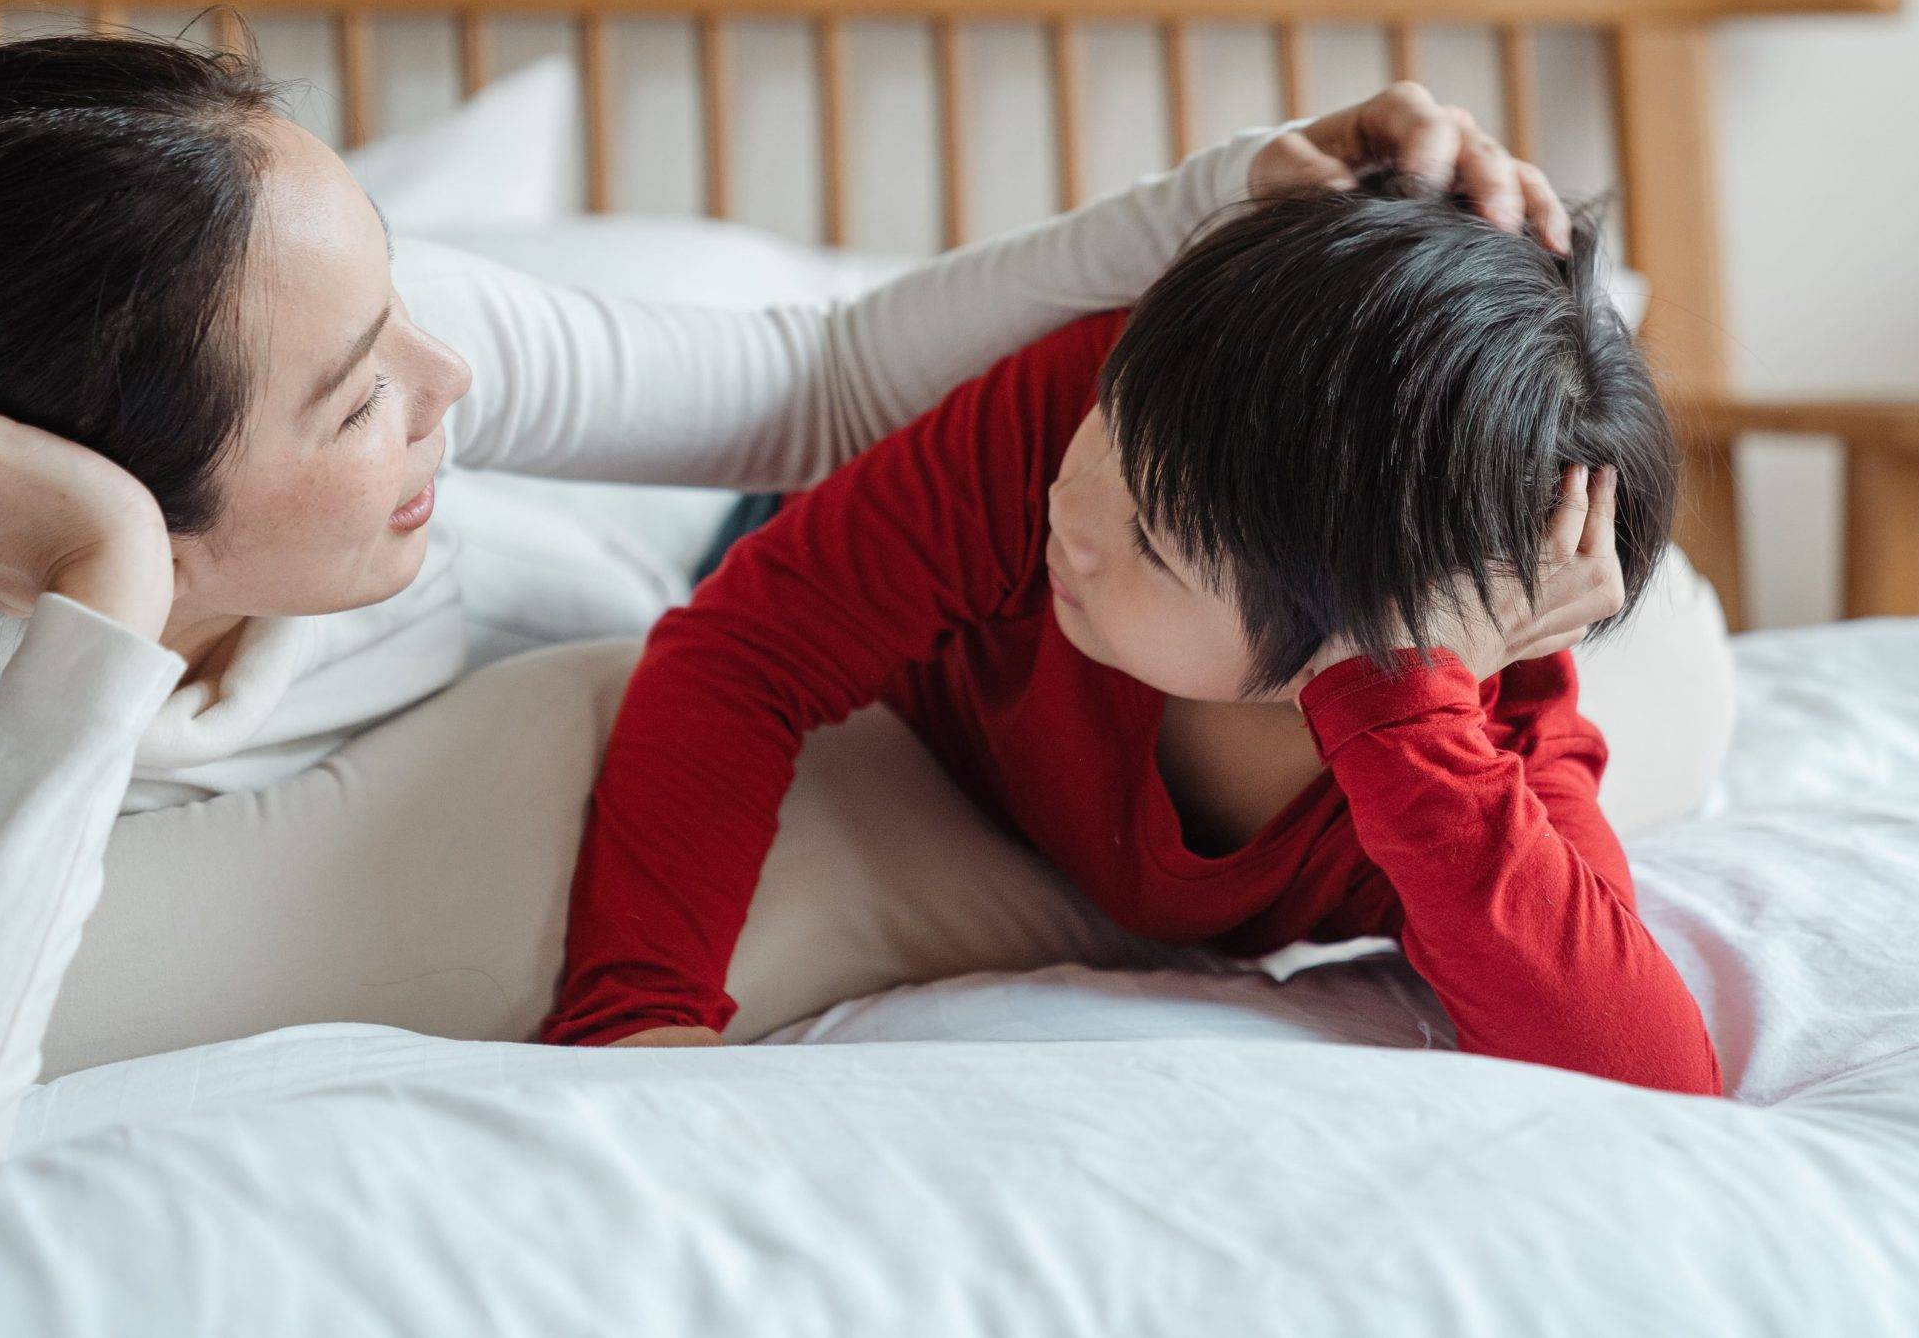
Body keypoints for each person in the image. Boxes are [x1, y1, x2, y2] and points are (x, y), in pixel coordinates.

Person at [0, 34, 1567, 1200]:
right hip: (707, 641)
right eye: (357, 389)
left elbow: (823, 383)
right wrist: (103, 612)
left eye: (403, 295)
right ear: (127, 494)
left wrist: (1230, 205)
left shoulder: (378, 351)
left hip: (766, 572)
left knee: (1537, 626)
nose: (452, 383)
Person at [540, 177, 1722, 1096]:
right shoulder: (1066, 421)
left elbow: (1655, 1084)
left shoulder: (1468, 729)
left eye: (1155, 543)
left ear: (1356, 643)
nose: (1077, 509)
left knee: (1683, 657)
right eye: (1112, 421)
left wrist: (1405, 707)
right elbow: (744, 648)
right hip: (823, 524)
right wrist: (638, 1009)